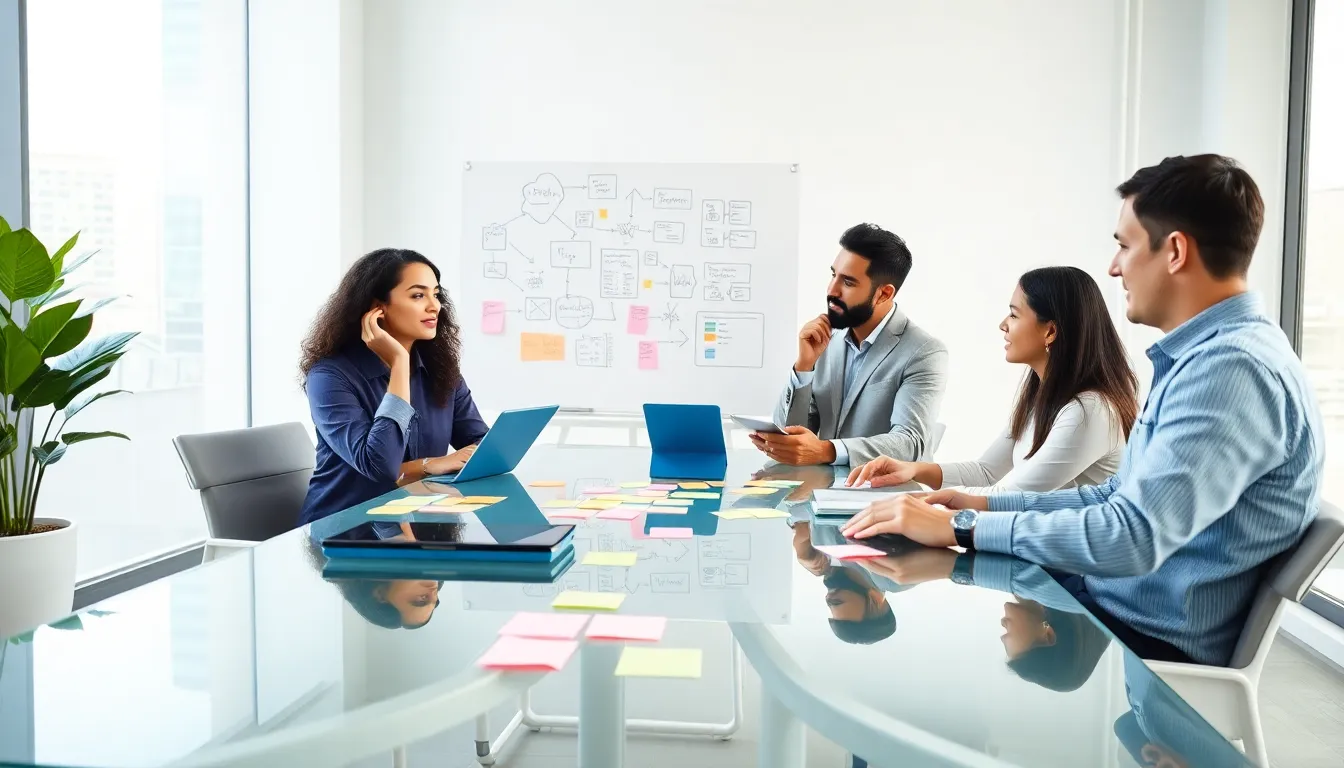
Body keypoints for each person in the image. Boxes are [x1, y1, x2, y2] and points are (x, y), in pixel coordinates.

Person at [840, 154, 1324, 667]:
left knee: (929, 649)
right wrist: (980, 507)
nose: (1114, 267)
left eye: (1124, 245)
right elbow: (1115, 495)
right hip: (1111, 604)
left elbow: (1131, 537)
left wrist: (960, 526)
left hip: (1140, 638)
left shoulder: (1230, 370)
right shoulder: (1205, 357)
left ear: (1176, 252)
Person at [847, 266, 1138, 495]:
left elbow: (1013, 496)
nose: (1003, 325)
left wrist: (917, 502)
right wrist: (913, 470)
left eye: (1014, 314)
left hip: (1068, 570)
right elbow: (986, 472)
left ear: (1050, 332)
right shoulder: (1041, 399)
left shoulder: (1090, 410)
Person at [298, 248, 488, 526]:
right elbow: (379, 466)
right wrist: (399, 361)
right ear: (378, 307)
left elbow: (481, 445)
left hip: (419, 523)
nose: (434, 306)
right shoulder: (329, 377)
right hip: (344, 532)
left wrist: (418, 469)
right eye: (418, 295)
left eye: (436, 294)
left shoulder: (440, 370)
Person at [757, 223, 948, 467]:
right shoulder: (826, 341)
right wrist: (804, 367)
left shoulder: (924, 352)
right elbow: (791, 434)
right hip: (822, 492)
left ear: (884, 294)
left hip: (885, 496)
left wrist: (827, 450)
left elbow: (909, 443)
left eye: (848, 282)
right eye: (833, 275)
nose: (831, 290)